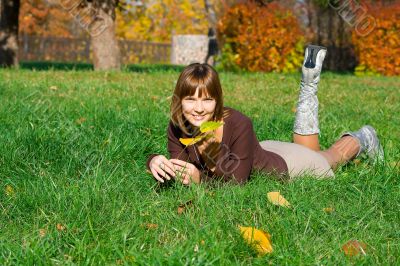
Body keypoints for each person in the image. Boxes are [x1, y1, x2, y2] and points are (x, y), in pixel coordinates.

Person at [146, 45, 384, 185]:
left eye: (207, 99)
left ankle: (365, 137)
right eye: (190, 99)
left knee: (327, 157)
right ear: (180, 99)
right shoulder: (178, 125)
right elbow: (182, 167)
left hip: (285, 166)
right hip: (261, 149)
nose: (198, 108)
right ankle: (309, 85)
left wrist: (199, 178)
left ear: (218, 99)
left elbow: (238, 183)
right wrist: (156, 161)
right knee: (312, 148)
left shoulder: (239, 123)